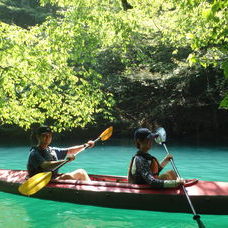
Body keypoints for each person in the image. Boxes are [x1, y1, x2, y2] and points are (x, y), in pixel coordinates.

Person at [27, 126, 95, 181]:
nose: (47, 138)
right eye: (44, 135)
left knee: (81, 172)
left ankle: (91, 190)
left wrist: (85, 145)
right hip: (41, 181)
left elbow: (70, 151)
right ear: (38, 137)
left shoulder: (52, 150)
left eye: (49, 135)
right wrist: (65, 160)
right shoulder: (34, 153)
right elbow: (46, 165)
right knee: (68, 176)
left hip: (52, 179)